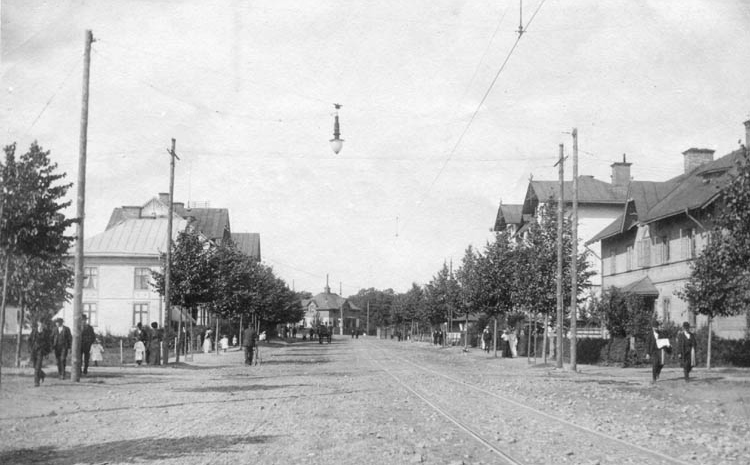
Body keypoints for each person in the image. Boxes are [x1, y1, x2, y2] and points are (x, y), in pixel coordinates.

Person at [29, 319, 51, 387]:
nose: (41, 324)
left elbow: (48, 343)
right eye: (40, 322)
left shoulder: (46, 332)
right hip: (34, 351)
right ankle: (42, 374)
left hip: (41, 351)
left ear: (44, 324)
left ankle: (36, 382)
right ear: (38, 323)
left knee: (38, 367)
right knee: (34, 366)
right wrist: (30, 348)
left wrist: (47, 353)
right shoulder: (34, 331)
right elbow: (29, 340)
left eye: (42, 323)